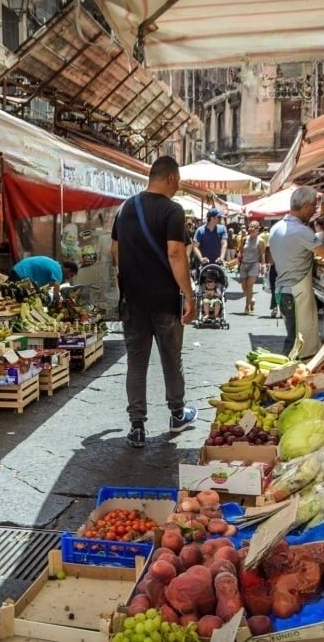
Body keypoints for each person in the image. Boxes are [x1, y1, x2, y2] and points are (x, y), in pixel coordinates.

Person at [111, 155, 197, 448]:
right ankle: (177, 414)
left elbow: (115, 251)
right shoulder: (173, 210)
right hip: (164, 300)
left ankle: (137, 427)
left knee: (136, 363)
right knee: (171, 358)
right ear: (172, 178)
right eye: (179, 180)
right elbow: (176, 254)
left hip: (133, 301)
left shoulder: (124, 208)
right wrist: (189, 294)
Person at [268, 187, 324, 359]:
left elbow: (316, 238)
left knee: (294, 340)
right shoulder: (302, 232)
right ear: (306, 206)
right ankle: (280, 379)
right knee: (298, 346)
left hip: (283, 290)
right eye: (314, 208)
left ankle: (284, 377)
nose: (313, 212)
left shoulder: (277, 228)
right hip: (297, 293)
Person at [11, 256, 78, 296]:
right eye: (71, 275)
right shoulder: (59, 272)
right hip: (21, 274)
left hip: (18, 269)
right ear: (68, 270)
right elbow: (56, 291)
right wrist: (59, 303)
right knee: (21, 299)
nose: (70, 278)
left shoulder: (56, 265)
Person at [236, 221, 264, 315]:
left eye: (254, 227)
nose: (252, 229)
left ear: (258, 229)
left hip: (254, 264)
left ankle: (247, 307)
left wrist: (263, 265)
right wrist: (237, 261)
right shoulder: (244, 239)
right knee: (244, 286)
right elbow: (240, 251)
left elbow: (262, 254)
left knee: (249, 285)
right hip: (244, 264)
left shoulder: (260, 241)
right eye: (250, 227)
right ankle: (251, 299)